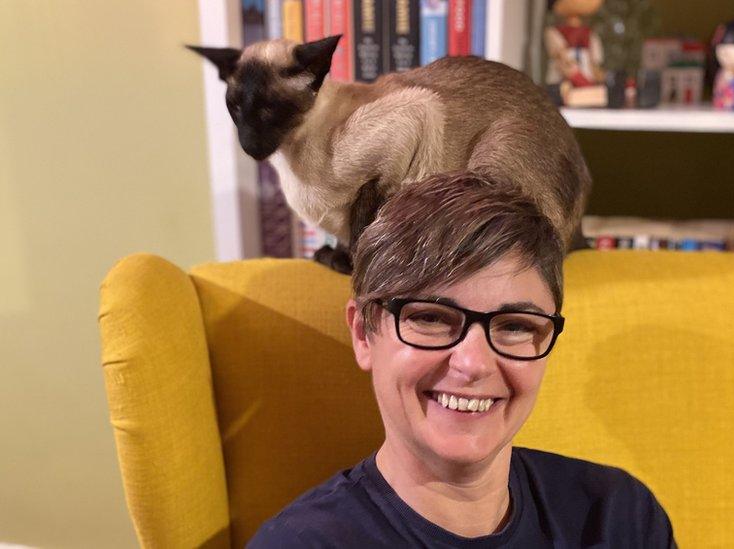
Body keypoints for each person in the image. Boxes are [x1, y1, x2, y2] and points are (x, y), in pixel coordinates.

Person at [248, 172, 676, 547]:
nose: (473, 364)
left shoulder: (619, 517)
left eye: (514, 325)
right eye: (431, 318)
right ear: (363, 332)